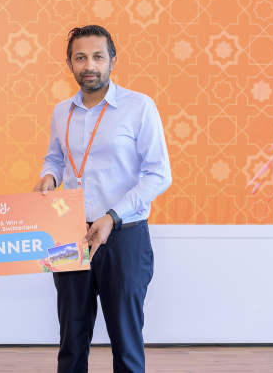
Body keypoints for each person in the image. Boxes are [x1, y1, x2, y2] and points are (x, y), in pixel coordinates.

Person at [35, 25, 171, 373]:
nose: (89, 65)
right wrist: (49, 177)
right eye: (80, 58)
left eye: (98, 57)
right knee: (71, 339)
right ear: (70, 64)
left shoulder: (139, 107)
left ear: (113, 60)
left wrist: (112, 216)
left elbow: (159, 174)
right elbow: (55, 158)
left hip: (123, 235)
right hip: (68, 235)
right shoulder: (61, 111)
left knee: (126, 341)